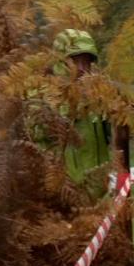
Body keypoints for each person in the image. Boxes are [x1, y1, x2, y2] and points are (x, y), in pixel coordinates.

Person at [49, 29, 111, 191]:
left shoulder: (96, 97)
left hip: (100, 194)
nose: (83, 68)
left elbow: (112, 137)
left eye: (87, 62)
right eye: (76, 61)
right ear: (61, 63)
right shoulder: (46, 96)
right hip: (65, 194)